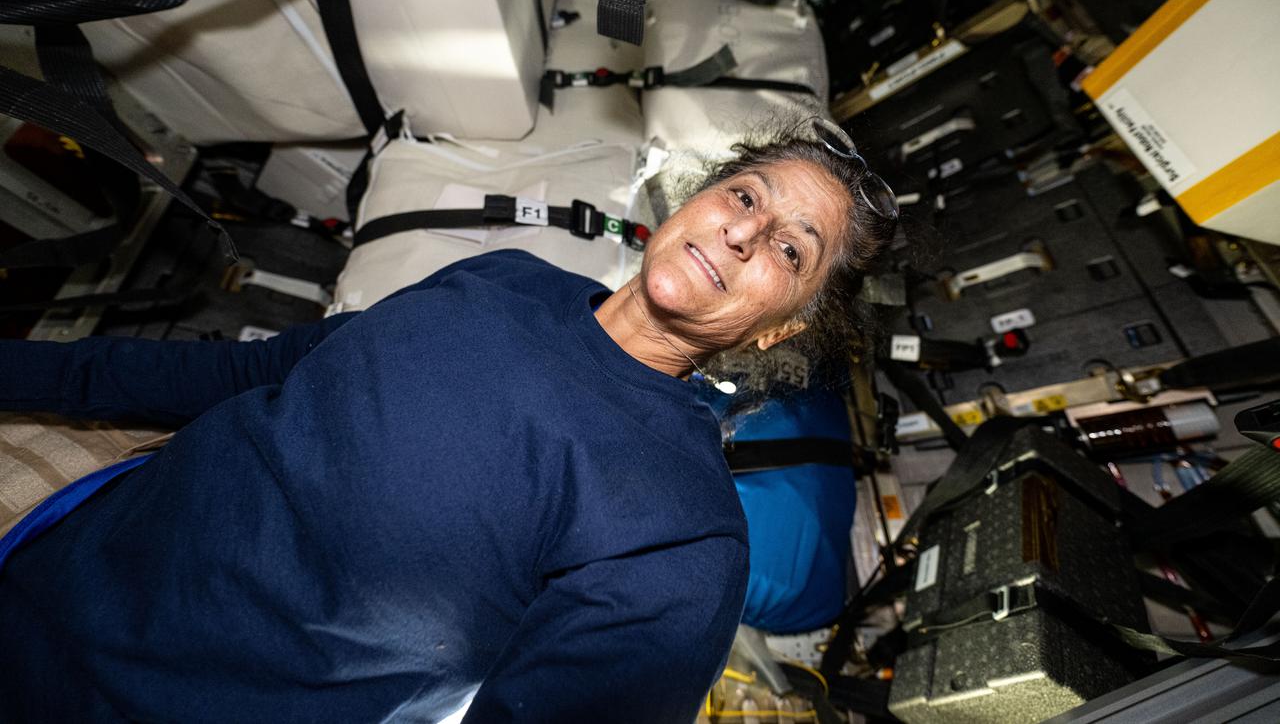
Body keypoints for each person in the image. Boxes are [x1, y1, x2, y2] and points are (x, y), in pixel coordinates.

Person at [0, 117, 896, 722]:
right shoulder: (507, 279)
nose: (745, 230)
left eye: (788, 248)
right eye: (745, 194)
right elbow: (251, 369)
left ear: (781, 325)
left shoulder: (684, 544)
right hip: (64, 534)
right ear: (697, 199)